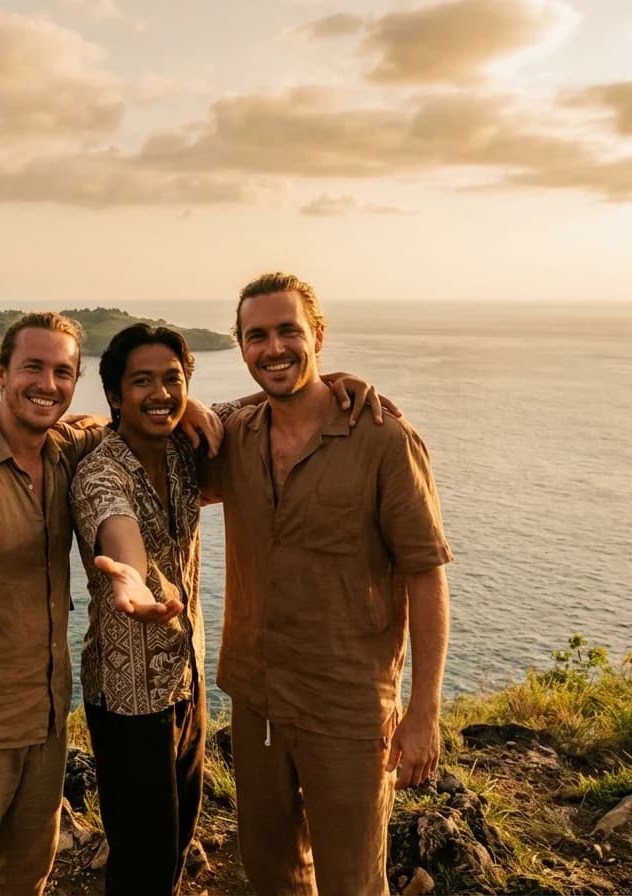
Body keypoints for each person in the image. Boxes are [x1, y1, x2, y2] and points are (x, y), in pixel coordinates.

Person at [0, 311, 225, 896]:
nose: (47, 384)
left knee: (27, 874)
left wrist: (183, 403)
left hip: (44, 720)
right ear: (0, 374)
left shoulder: (60, 450)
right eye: (32, 368)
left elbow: (123, 421)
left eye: (62, 371)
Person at [201, 272, 453, 896]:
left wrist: (423, 711)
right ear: (241, 348)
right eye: (256, 336)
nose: (274, 347)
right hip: (256, 694)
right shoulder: (236, 435)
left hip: (347, 705)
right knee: (271, 871)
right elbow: (142, 429)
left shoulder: (385, 440)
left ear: (318, 334)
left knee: (352, 880)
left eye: (288, 330)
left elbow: (425, 575)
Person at [70, 324, 205, 896]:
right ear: (114, 395)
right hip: (128, 700)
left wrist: (340, 382)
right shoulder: (101, 472)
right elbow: (116, 523)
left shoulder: (180, 449)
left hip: (185, 679)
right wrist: (130, 577)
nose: (160, 393)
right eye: (141, 381)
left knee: (176, 841)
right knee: (141, 859)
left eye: (172, 379)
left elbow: (263, 405)